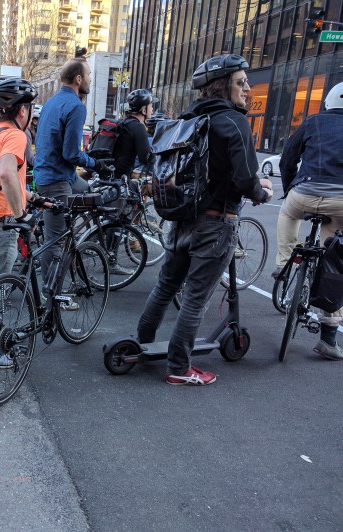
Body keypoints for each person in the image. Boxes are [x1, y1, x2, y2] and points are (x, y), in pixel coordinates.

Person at [136, 54, 273, 386]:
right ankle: (179, 368)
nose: (247, 88)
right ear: (224, 85)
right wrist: (263, 191)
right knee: (196, 296)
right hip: (215, 223)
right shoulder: (234, 121)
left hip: (181, 218)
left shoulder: (188, 119)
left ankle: (142, 342)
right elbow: (244, 180)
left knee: (166, 285)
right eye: (241, 82)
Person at [273, 81, 343, 360]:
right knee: (335, 263)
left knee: (288, 213)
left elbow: (287, 160)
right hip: (341, 200)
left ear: (329, 101)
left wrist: (290, 188)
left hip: (305, 192)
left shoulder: (313, 121)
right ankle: (328, 338)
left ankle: (282, 265)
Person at [32, 58, 111, 283]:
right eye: (88, 76)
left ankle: (75, 239)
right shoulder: (76, 106)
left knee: (92, 196)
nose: (90, 80)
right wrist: (97, 165)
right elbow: (71, 154)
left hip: (56, 175)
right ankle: (51, 293)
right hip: (56, 180)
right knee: (54, 240)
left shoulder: (51, 102)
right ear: (78, 79)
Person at [0, 78, 47, 293]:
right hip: (0, 227)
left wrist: (32, 198)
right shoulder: (15, 135)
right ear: (23, 110)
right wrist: (21, 215)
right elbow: (6, 173)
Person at [112, 88, 156, 181]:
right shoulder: (138, 127)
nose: (152, 110)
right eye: (151, 106)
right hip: (122, 181)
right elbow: (145, 158)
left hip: (111, 175)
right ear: (144, 110)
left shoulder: (124, 122)